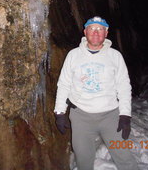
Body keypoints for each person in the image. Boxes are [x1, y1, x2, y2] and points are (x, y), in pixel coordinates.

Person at [54, 16, 138, 170]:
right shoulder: (73, 55)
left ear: (106, 33)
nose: (96, 33)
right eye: (92, 28)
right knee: (83, 160)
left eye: (100, 29)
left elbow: (124, 86)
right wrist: (60, 112)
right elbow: (64, 84)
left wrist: (125, 115)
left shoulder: (115, 56)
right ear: (85, 31)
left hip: (110, 115)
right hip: (81, 116)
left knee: (124, 158)